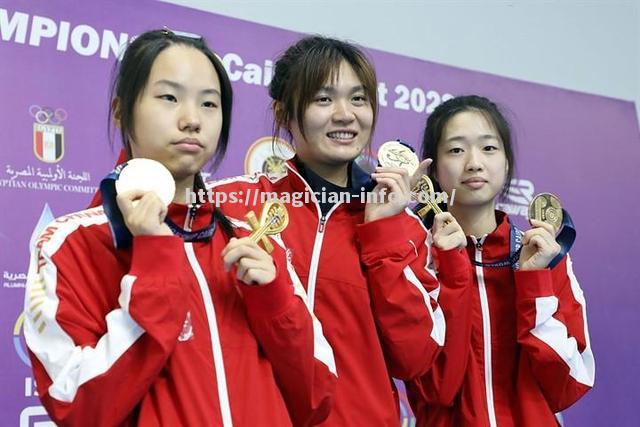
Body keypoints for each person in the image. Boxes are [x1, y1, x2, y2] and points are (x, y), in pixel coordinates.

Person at [23, 29, 336, 427]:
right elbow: (78, 407)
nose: (192, 121)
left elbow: (317, 400)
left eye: (209, 103)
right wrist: (154, 265)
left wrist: (274, 304)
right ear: (122, 111)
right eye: (169, 98)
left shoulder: (253, 241)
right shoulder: (71, 244)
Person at [211, 36, 470, 426]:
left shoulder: (406, 229)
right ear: (283, 114)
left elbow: (415, 358)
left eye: (359, 99)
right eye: (323, 99)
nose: (346, 114)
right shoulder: (233, 204)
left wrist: (382, 234)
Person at [407, 95, 595, 426]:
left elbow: (568, 385)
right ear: (433, 170)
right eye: (456, 150)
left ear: (507, 163)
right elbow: (432, 387)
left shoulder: (544, 256)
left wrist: (533, 283)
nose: (474, 163)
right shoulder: (417, 260)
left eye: (489, 148)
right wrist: (449, 266)